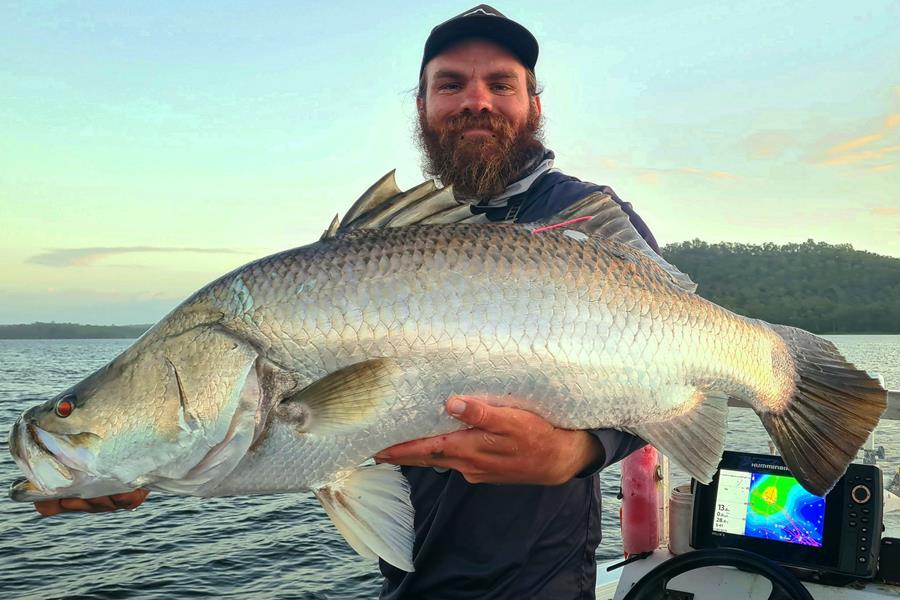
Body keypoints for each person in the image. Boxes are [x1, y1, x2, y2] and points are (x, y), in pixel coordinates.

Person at [34, 6, 654, 599]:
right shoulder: (373, 246)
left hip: (538, 583)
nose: (476, 101)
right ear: (422, 106)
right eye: (450, 84)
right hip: (410, 581)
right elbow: (275, 438)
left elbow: (671, 362)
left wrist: (578, 451)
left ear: (533, 103)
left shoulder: (581, 219)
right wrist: (124, 463)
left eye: (501, 83)